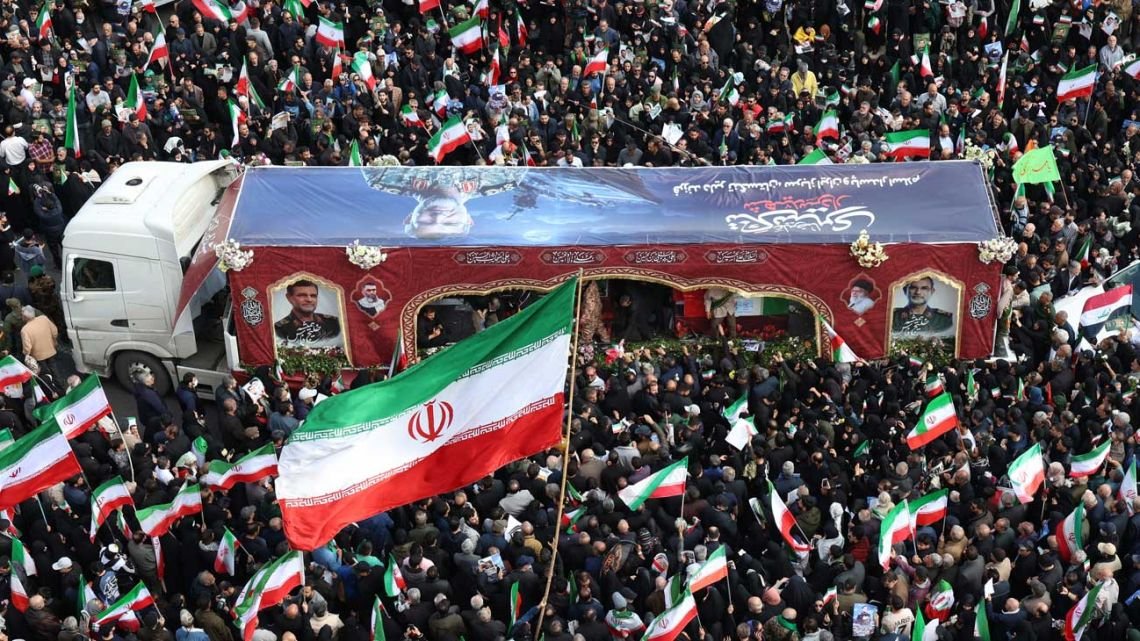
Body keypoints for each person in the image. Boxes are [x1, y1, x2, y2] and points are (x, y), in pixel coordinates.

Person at [273, 279, 341, 345]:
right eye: (302, 295)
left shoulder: (334, 323)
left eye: (313, 296)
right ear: (289, 298)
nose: (309, 300)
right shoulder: (278, 329)